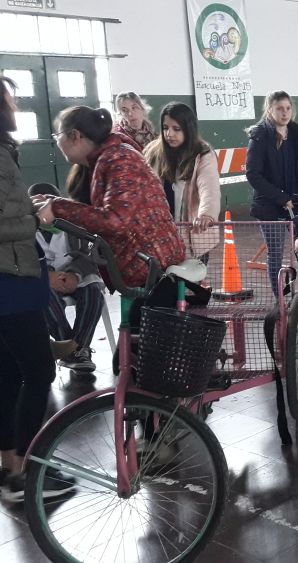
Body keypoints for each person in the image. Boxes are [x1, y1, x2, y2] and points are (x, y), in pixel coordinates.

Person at [0, 76, 75, 502]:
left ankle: (9, 465)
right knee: (39, 370)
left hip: (10, 275)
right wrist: (35, 219)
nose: (14, 105)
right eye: (9, 99)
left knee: (8, 372)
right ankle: (27, 473)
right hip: (9, 280)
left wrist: (27, 210)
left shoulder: (5, 151)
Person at [32, 106, 185, 290]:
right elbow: (100, 213)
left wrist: (57, 207)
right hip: (143, 261)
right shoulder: (105, 158)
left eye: (58, 135)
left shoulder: (119, 158)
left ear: (75, 135)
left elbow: (116, 220)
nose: (57, 141)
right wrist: (53, 202)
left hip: (151, 263)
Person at [246, 90, 298, 296]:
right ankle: (281, 299)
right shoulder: (259, 136)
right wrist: (281, 197)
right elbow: (253, 174)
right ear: (269, 109)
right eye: (279, 108)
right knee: (275, 253)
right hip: (269, 207)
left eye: (288, 108)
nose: (285, 113)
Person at [28, 183, 103, 374]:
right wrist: (47, 275)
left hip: (75, 275)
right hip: (41, 278)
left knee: (94, 292)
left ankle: (75, 351)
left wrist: (74, 275)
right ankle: (74, 351)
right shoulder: (23, 230)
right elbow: (22, 260)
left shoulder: (75, 225)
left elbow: (87, 255)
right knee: (43, 295)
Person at [144, 101, 221, 257]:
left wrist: (206, 214)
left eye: (176, 129)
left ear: (188, 128)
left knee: (192, 272)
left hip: (192, 236)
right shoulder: (153, 151)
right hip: (159, 234)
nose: (169, 134)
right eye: (165, 128)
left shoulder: (203, 154)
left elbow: (209, 188)